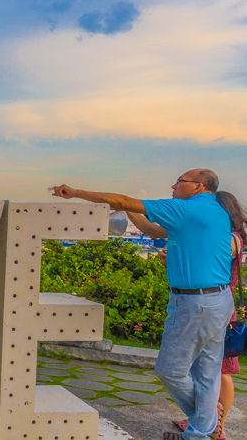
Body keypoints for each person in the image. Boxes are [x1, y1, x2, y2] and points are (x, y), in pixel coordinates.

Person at [52, 168, 233, 440]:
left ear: (197, 186)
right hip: (218, 300)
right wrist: (124, 210)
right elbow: (150, 229)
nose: (173, 185)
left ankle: (204, 422)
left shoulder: (186, 210)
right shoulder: (216, 212)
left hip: (195, 303)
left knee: (169, 370)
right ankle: (200, 433)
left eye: (179, 181)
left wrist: (77, 193)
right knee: (207, 372)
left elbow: (125, 201)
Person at [162, 191, 247, 440]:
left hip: (217, 306)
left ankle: (213, 423)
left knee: (221, 371)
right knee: (204, 370)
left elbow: (211, 260)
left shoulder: (231, 238)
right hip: (212, 306)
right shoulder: (223, 235)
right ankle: (202, 422)